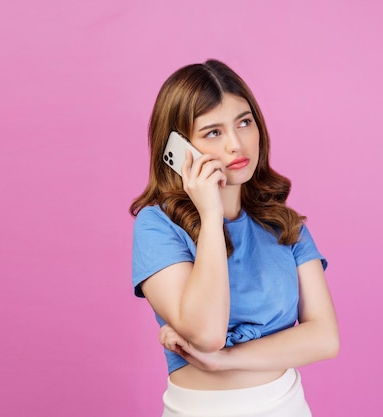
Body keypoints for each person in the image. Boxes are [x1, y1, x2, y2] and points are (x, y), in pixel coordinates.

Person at [130, 59, 339, 417]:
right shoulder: (157, 226)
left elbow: (324, 337)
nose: (236, 144)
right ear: (178, 149)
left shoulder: (284, 224)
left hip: (286, 406)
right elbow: (206, 333)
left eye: (244, 123)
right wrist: (211, 217)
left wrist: (224, 360)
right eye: (213, 132)